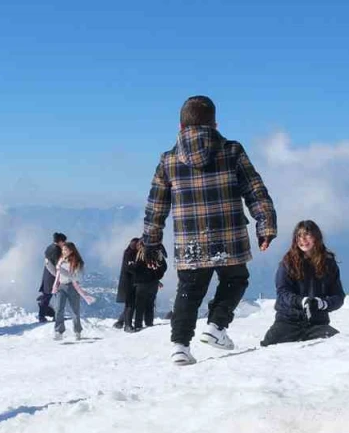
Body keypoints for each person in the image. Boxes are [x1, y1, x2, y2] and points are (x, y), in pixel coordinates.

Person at [143, 95, 278, 365]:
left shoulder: (168, 160)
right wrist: (265, 224)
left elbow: (156, 206)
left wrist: (151, 242)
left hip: (189, 239)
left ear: (181, 126)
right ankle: (216, 326)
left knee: (189, 290)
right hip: (229, 235)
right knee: (235, 279)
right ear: (215, 124)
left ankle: (180, 346)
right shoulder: (232, 151)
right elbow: (255, 189)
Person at [261, 221, 346, 347]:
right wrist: (302, 301)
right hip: (288, 322)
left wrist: (322, 303)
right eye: (299, 236)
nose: (303, 239)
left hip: (316, 324)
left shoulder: (328, 264)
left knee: (337, 342)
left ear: (316, 237)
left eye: (307, 235)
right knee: (267, 347)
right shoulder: (287, 263)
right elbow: (283, 293)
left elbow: (338, 296)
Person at [52, 242, 94, 341]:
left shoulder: (77, 262)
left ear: (71, 250)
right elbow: (57, 273)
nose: (63, 252)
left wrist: (61, 270)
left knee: (75, 310)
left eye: (65, 250)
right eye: (63, 250)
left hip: (73, 287)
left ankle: (77, 331)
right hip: (61, 286)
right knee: (59, 309)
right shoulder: (61, 260)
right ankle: (59, 331)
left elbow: (74, 277)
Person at [126, 243, 167, 331]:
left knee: (140, 306)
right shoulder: (157, 254)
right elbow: (164, 267)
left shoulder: (141, 255)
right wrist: (157, 277)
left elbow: (135, 268)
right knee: (150, 304)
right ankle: (149, 323)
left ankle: (138, 325)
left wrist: (130, 265)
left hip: (141, 284)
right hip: (154, 283)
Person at [37, 233, 66, 322]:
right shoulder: (57, 250)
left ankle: (41, 316)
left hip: (47, 274)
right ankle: (57, 316)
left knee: (46, 296)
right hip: (54, 276)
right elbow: (58, 265)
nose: (64, 243)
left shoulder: (49, 247)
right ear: (60, 241)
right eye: (64, 242)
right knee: (59, 296)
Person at [114, 238, 140, 329]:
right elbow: (129, 268)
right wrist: (140, 270)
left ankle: (121, 321)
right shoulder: (130, 254)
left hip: (129, 282)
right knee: (130, 304)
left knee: (130, 304)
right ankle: (127, 325)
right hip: (129, 283)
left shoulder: (129, 253)